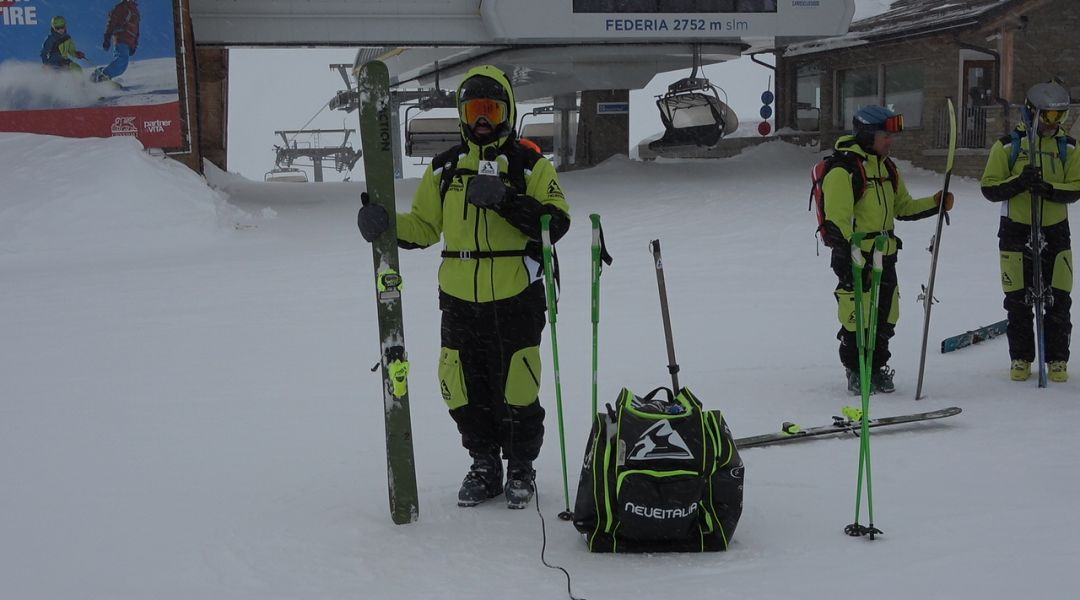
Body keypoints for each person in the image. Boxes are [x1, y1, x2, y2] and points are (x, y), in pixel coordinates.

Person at [357, 65, 571, 508]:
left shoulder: (530, 164)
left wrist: (507, 201)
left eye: (491, 110)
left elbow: (556, 223)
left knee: (517, 385)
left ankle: (520, 467)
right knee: (461, 383)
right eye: (474, 110)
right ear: (461, 114)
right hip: (458, 299)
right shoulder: (444, 169)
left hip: (516, 295)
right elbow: (423, 227)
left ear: (507, 112)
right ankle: (484, 463)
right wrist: (385, 227)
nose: (482, 121)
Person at [820, 105, 953, 394]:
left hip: (886, 254)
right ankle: (856, 370)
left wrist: (935, 202)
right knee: (857, 318)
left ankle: (877, 367)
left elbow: (902, 208)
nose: (889, 141)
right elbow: (836, 223)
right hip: (856, 255)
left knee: (885, 317)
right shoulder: (844, 170)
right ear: (868, 134)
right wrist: (849, 261)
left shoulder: (888, 168)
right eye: (885, 135)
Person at [980, 81, 1078, 383]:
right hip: (1016, 228)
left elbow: (1075, 188)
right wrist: (1019, 183)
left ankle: (1057, 359)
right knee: (1018, 298)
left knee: (1059, 296)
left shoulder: (1068, 147)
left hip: (1055, 229)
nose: (1054, 124)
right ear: (1032, 113)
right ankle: (1021, 357)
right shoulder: (1008, 146)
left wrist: (1049, 189)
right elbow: (990, 188)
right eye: (1048, 117)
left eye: (1059, 117)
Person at [93, 0, 140, 83]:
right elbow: (112, 21)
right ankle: (103, 76)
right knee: (122, 61)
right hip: (121, 38)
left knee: (122, 65)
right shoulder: (122, 7)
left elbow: (136, 32)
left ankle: (100, 73)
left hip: (128, 42)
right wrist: (107, 36)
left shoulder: (135, 12)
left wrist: (134, 46)